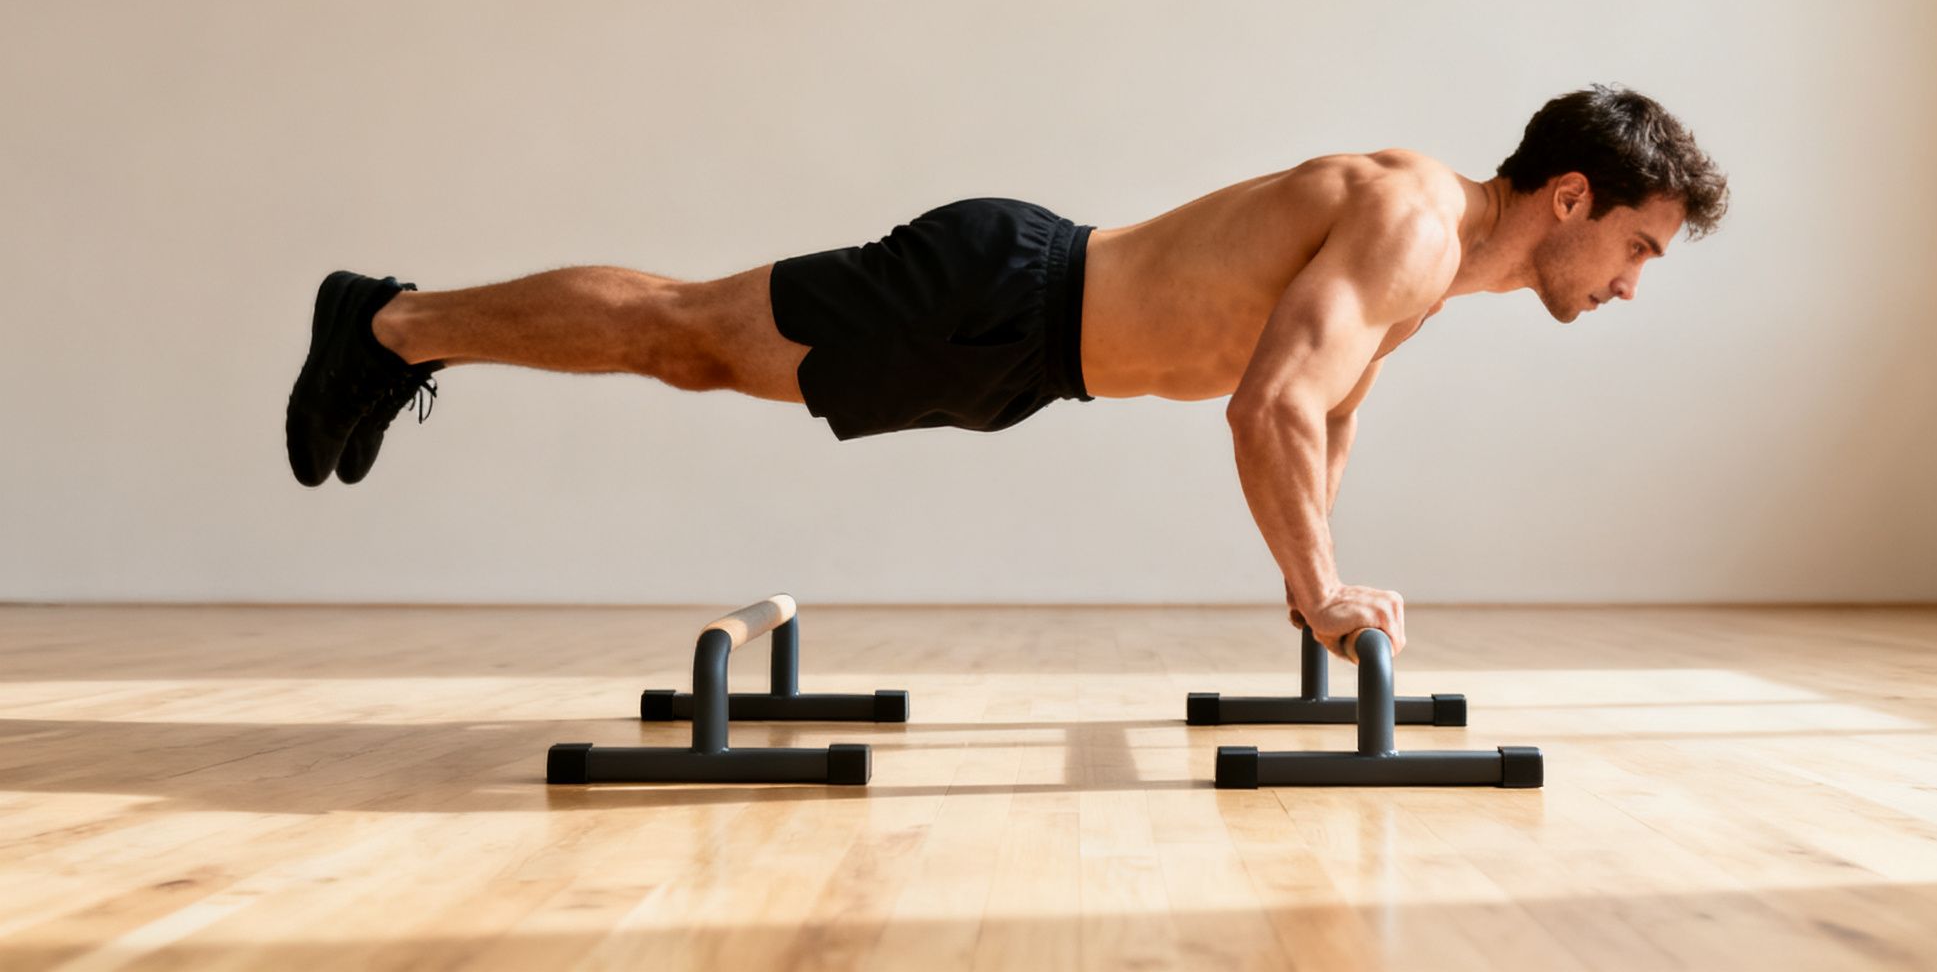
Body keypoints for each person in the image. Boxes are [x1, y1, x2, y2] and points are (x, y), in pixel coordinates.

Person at [286, 83, 1728, 659]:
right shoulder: (1414, 223)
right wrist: (1315, 590)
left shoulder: (1439, 261)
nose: (1634, 287)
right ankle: (391, 323)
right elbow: (1267, 407)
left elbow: (1328, 410)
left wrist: (1321, 596)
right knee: (688, 336)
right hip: (1006, 294)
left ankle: (398, 328)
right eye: (1645, 250)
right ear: (1574, 199)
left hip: (1025, 356)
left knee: (697, 352)